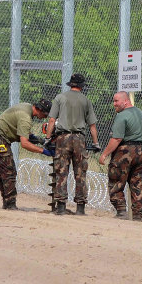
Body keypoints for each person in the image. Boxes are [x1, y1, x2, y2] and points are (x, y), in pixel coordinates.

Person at [47, 73, 99, 215]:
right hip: (79, 139)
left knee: (61, 171)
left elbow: (52, 120)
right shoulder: (86, 101)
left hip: (62, 138)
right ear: (82, 86)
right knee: (80, 173)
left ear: (70, 84)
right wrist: (96, 143)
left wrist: (47, 138)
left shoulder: (60, 97)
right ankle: (80, 208)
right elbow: (92, 126)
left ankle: (61, 206)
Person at [0, 99, 53, 210]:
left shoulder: (27, 107)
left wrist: (37, 139)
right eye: (45, 114)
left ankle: (7, 202)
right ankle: (10, 204)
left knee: (3, 169)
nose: (45, 117)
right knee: (8, 170)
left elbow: (23, 131)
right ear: (39, 110)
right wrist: (43, 151)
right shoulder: (26, 117)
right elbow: (24, 144)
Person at [98, 91, 142, 221]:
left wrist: (104, 154)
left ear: (125, 101)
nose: (114, 104)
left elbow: (116, 138)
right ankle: (138, 214)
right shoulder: (140, 113)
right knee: (138, 183)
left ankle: (121, 212)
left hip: (126, 150)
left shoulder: (122, 115)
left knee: (116, 179)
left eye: (116, 101)